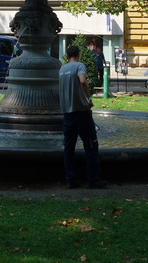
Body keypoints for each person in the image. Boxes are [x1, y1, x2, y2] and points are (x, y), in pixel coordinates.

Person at [58, 45, 107, 189]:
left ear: (67, 56)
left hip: (67, 114)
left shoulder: (62, 69)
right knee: (91, 145)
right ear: (78, 55)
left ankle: (71, 179)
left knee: (69, 147)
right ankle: (93, 179)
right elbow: (83, 81)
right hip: (82, 112)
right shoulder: (80, 65)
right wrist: (88, 97)